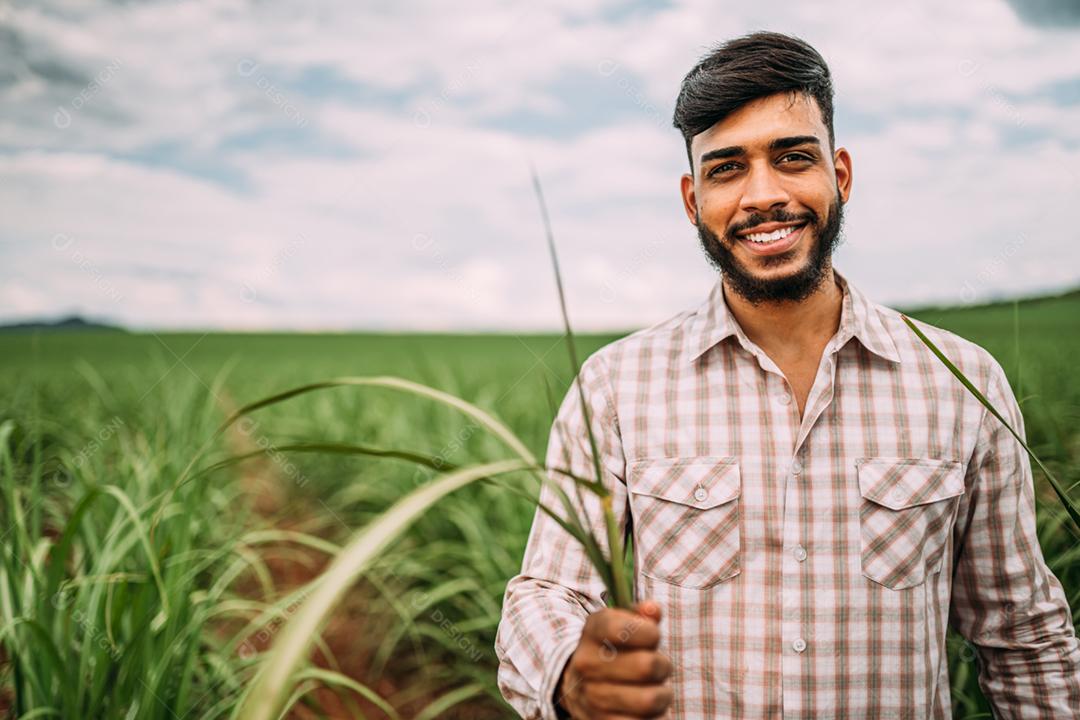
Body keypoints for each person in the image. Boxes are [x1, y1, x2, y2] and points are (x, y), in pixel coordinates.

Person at [494, 30, 1080, 719]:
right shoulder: (616, 385)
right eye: (727, 169)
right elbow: (547, 593)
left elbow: (1022, 638)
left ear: (841, 175)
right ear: (692, 200)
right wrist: (570, 675)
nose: (762, 195)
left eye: (792, 158)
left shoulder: (960, 382)